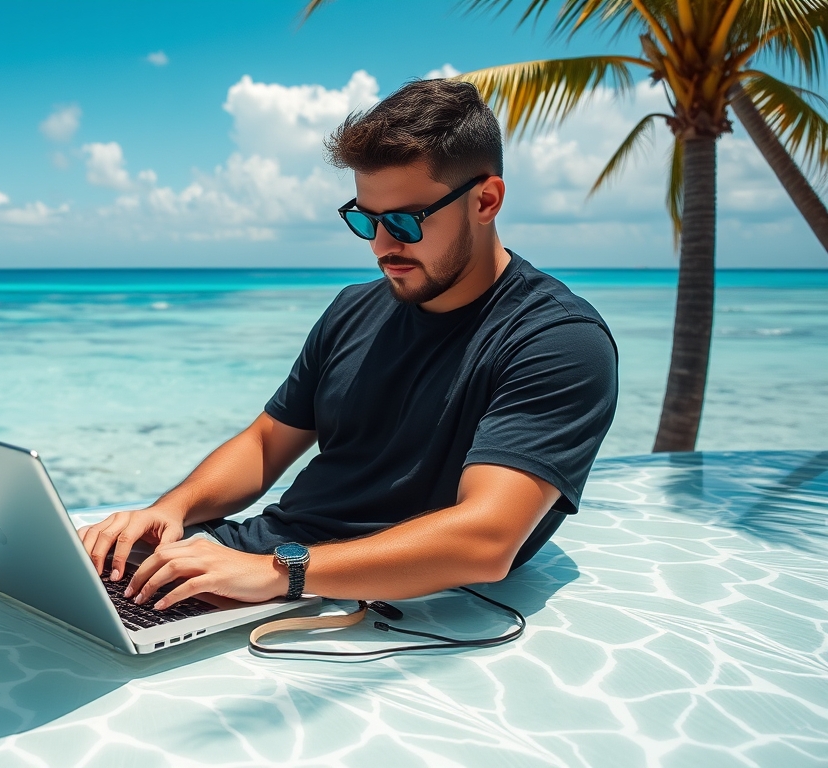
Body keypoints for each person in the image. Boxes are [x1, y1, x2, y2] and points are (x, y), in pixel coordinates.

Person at [79, 79, 618, 612]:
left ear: (486, 200)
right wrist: (173, 509)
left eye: (405, 222)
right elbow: (267, 444)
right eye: (366, 220)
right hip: (265, 568)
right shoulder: (354, 308)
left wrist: (280, 574)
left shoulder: (558, 341)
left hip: (366, 602)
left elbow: (487, 540)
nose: (383, 246)